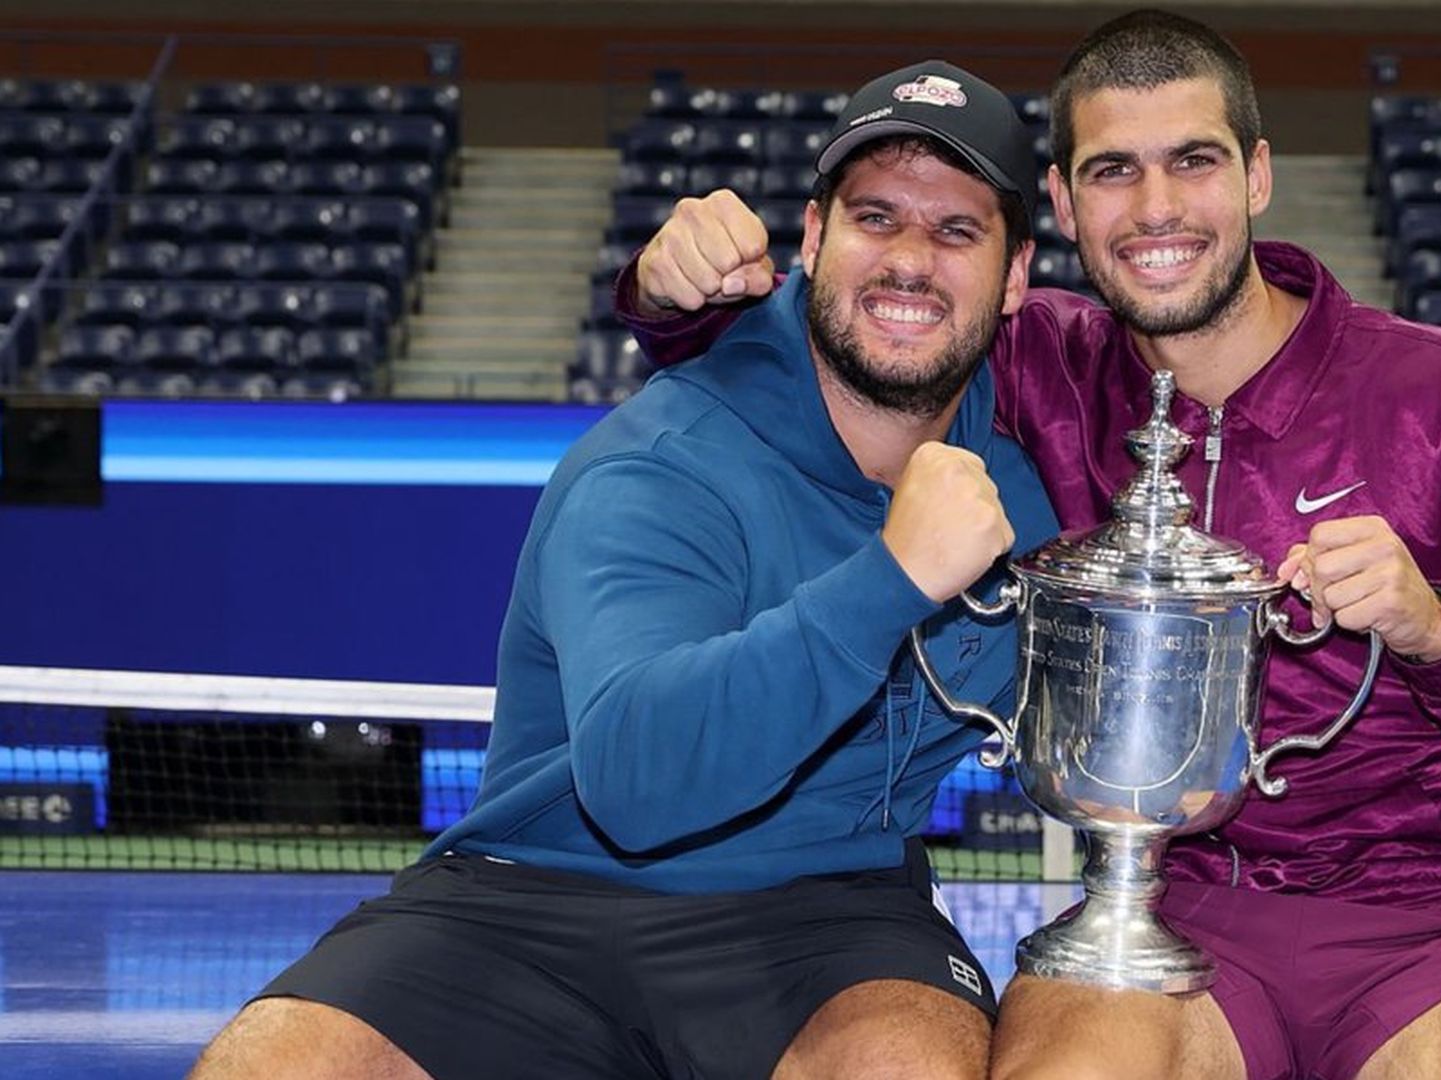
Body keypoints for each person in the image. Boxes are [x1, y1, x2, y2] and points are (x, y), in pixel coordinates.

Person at [615, 11, 1441, 1080]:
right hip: (1154, 914)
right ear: (1063, 201)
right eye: (1114, 171)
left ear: (1255, 175)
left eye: (1192, 162)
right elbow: (846, 345)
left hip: (1435, 929)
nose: (1157, 210)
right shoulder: (1030, 363)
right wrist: (675, 295)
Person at [189, 59, 1057, 1080]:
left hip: (836, 913)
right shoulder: (656, 463)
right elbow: (639, 785)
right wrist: (891, 577)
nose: (911, 260)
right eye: (875, 218)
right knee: (275, 1068)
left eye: (957, 231)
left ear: (1014, 277)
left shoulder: (1036, 479)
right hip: (535, 894)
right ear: (813, 240)